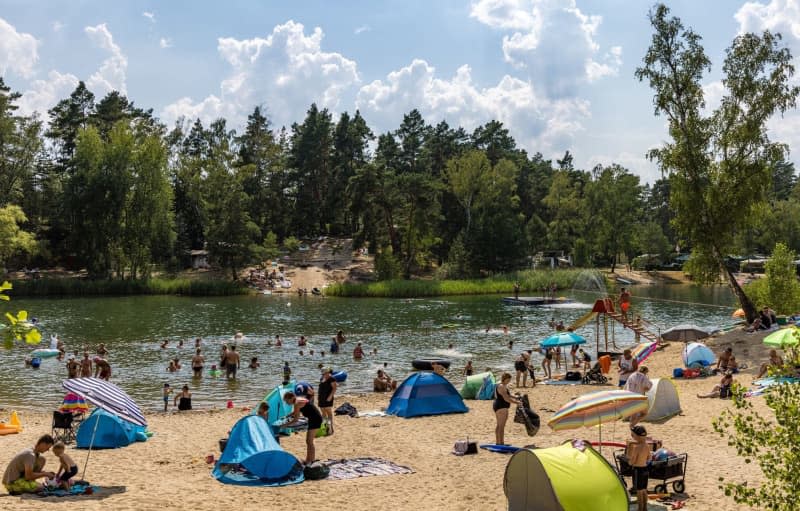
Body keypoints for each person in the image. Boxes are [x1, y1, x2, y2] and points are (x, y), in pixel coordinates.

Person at [283, 391, 323, 465]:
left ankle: (311, 461)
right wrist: (287, 416)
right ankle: (309, 460)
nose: (286, 403)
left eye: (286, 401)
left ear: (291, 398)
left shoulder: (296, 403)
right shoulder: (298, 399)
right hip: (314, 418)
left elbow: (296, 420)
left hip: (315, 419)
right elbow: (295, 412)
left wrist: (284, 425)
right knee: (309, 441)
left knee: (309, 441)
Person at [626, 425, 651, 511]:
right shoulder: (647, 446)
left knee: (639, 491)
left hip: (638, 470)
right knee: (644, 490)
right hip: (645, 469)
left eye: (633, 435)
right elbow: (649, 458)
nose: (632, 437)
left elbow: (632, 461)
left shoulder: (637, 448)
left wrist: (629, 460)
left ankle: (640, 508)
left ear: (637, 436)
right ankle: (645, 508)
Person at [493, 373, 521, 445]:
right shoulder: (502, 386)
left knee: (499, 425)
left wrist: (515, 397)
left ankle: (498, 442)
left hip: (499, 406)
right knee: (501, 426)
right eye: (508, 380)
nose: (509, 381)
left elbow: (507, 395)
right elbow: (506, 399)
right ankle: (501, 443)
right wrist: (516, 402)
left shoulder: (502, 385)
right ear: (505, 379)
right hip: (501, 406)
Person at [318, 368, 337, 435]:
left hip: (328, 398)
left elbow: (334, 388)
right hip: (321, 398)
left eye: (325, 373)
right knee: (323, 413)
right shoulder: (321, 378)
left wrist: (330, 396)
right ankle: (326, 428)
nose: (324, 374)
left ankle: (331, 428)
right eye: (323, 373)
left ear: (328, 372)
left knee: (329, 413)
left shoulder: (332, 379)